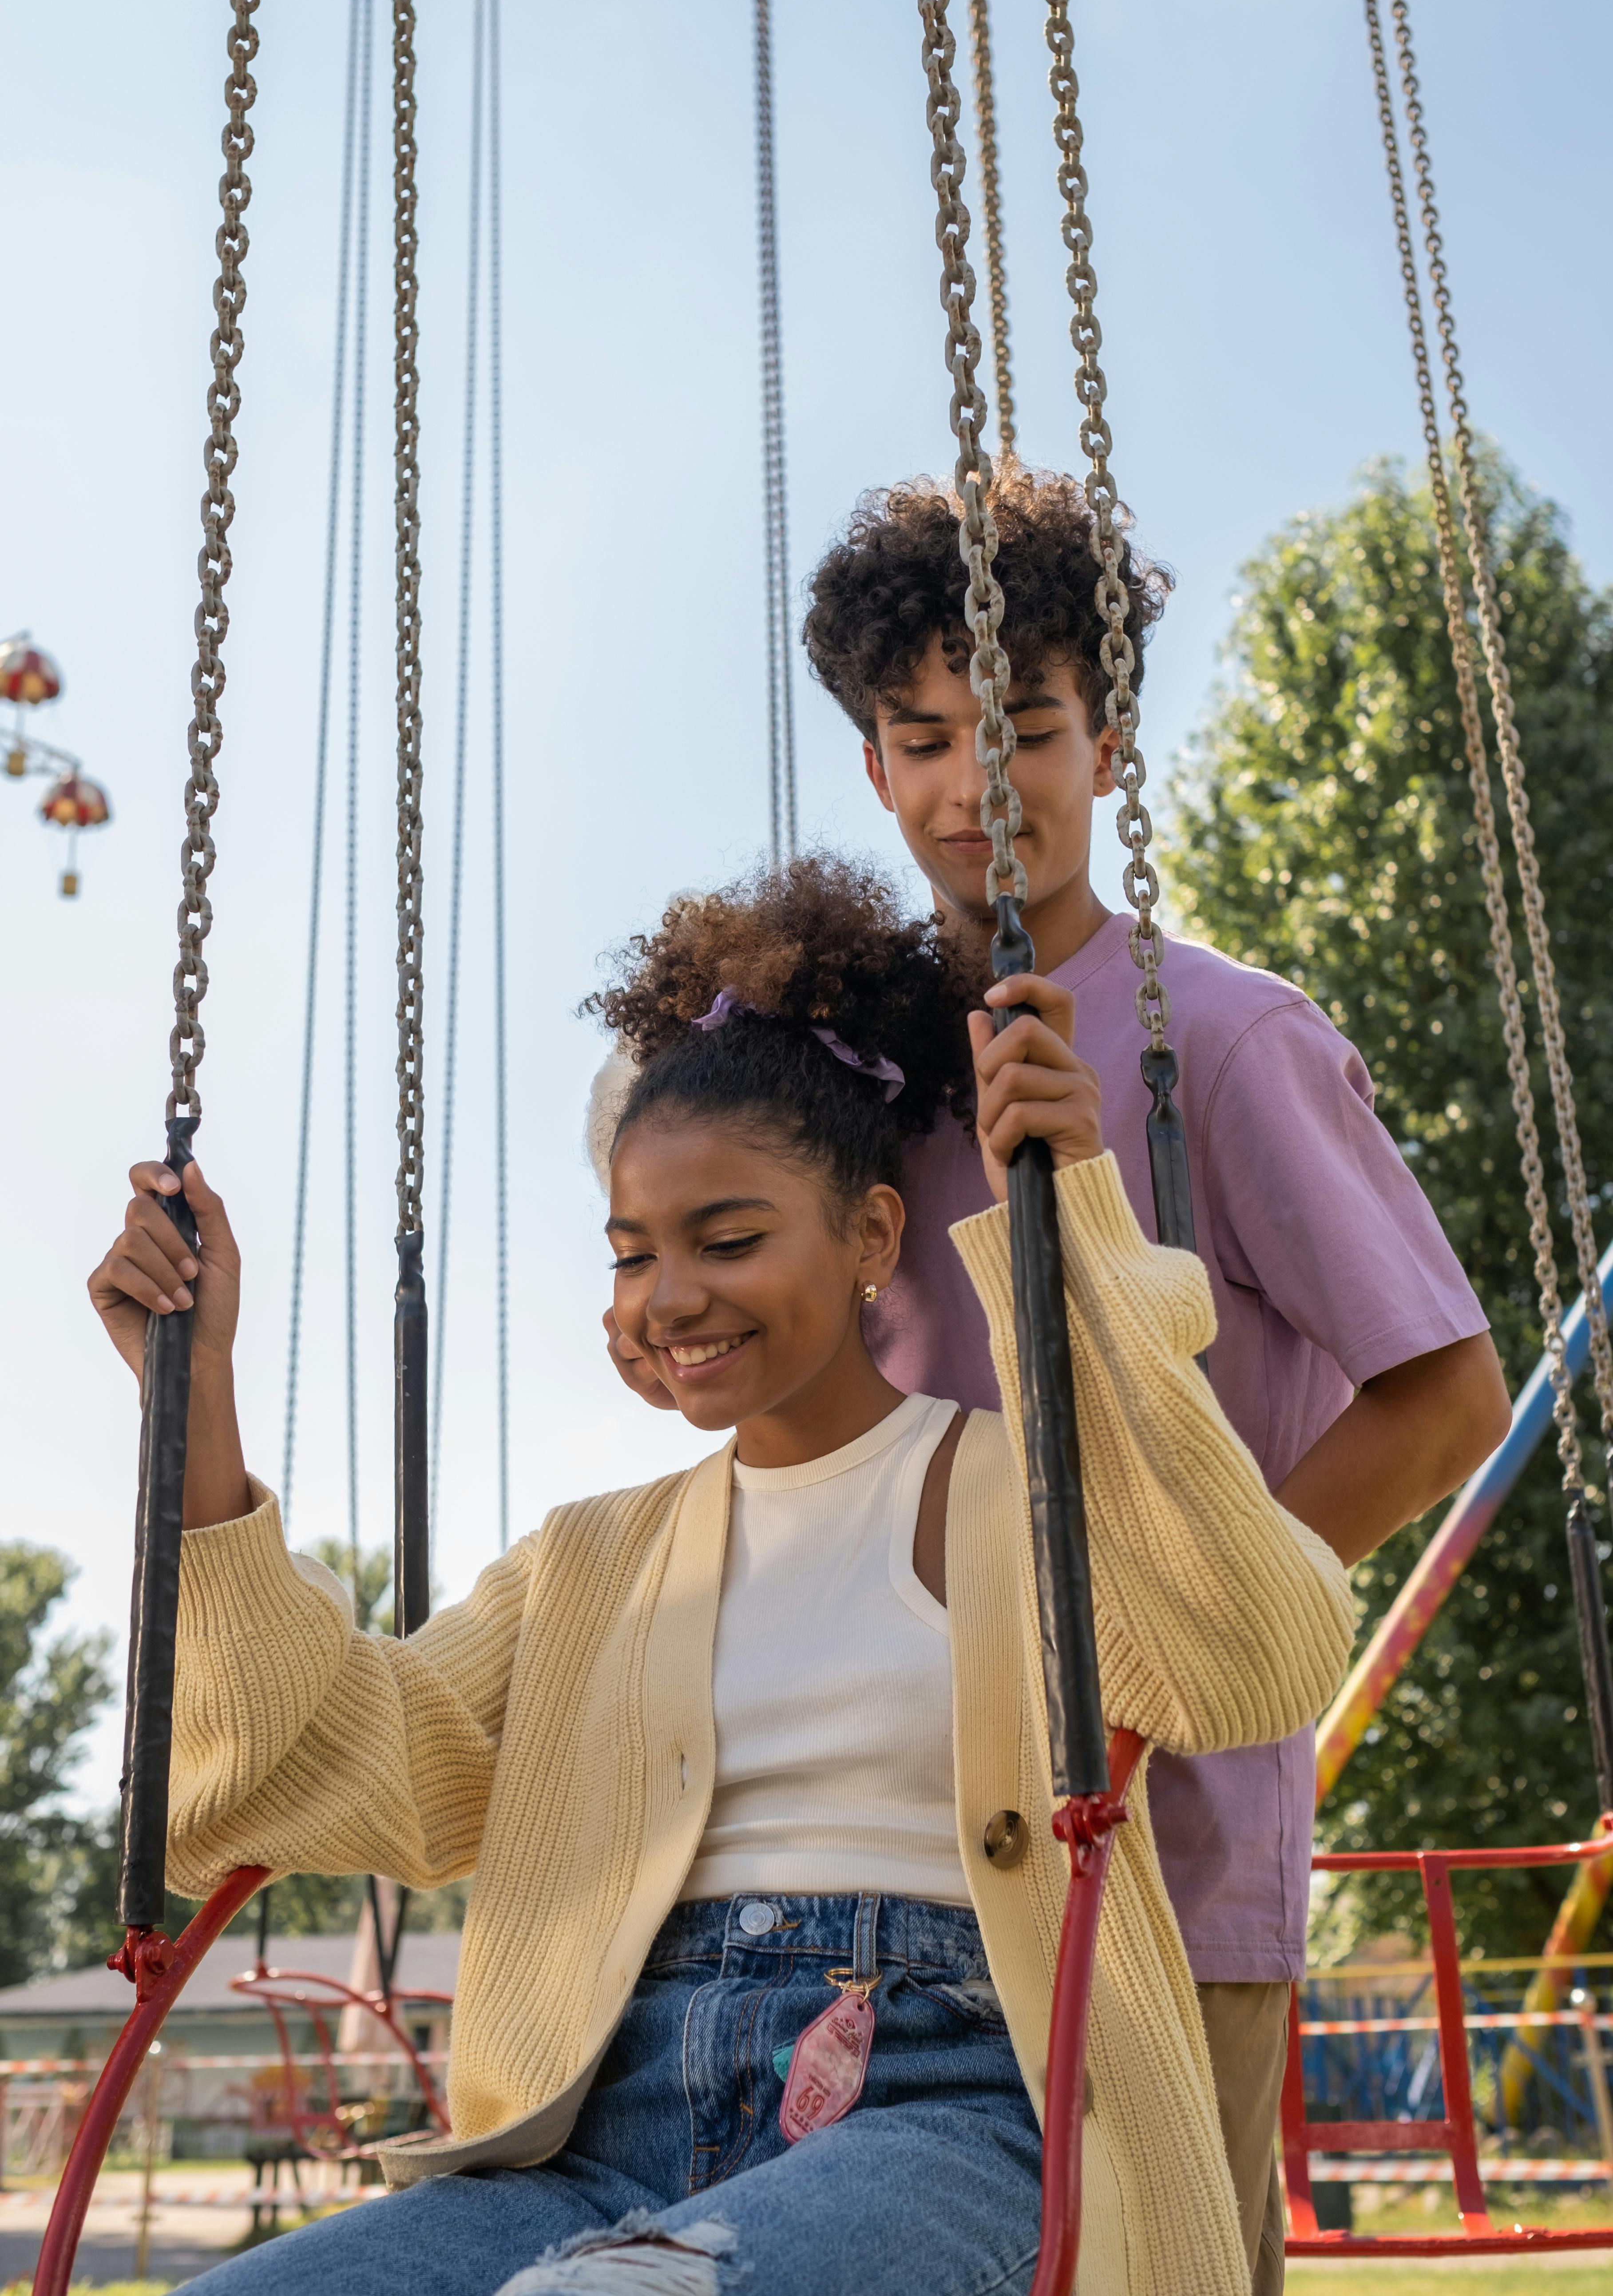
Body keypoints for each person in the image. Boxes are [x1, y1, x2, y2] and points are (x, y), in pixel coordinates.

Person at [91, 857, 1352, 2296]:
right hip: (603, 2126)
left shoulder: (1028, 1488)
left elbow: (1248, 1653)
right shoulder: (592, 1562)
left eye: (727, 1239)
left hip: (955, 2107)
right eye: (635, 1253)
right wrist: (195, 1407)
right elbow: (331, 1763)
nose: (669, 1295)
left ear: (873, 1235)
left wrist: (1078, 1229)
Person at [604, 468, 1514, 2292]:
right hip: (901, 1847)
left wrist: (1185, 1632)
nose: (976, 784)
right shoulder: (853, 1074)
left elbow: (1449, 1393)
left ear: (1103, 739)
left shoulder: (1225, 1046)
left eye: (1022, 725)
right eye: (921, 737)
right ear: (873, 768)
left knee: (1163, 2262)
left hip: (1159, 1827)